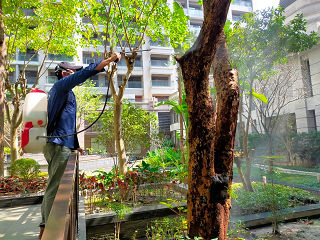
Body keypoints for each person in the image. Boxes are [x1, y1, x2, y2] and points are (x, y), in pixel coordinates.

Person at [39, 52, 121, 239]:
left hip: (63, 143)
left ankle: (47, 225)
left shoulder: (67, 93)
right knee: (55, 186)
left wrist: (74, 146)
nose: (75, 74)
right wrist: (106, 61)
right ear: (66, 73)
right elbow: (84, 74)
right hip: (57, 144)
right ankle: (48, 228)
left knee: (56, 185)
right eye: (72, 72)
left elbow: (66, 123)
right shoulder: (60, 87)